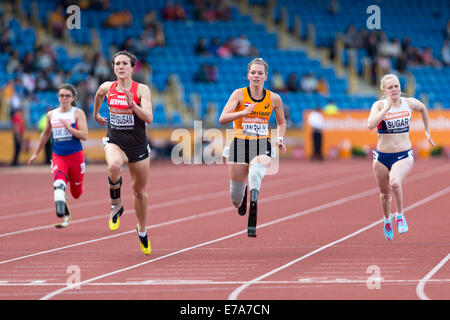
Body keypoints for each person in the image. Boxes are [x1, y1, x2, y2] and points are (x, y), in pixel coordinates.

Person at [93, 51, 153, 255]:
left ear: (132, 67)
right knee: (114, 166)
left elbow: (149, 118)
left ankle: (142, 230)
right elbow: (99, 95)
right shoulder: (107, 87)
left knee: (139, 192)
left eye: (124, 63)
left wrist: (132, 105)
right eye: (117, 63)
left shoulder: (141, 89)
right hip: (115, 141)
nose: (120, 67)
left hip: (137, 146)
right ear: (113, 67)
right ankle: (116, 204)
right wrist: (96, 114)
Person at [219, 58, 287, 237]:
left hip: (262, 142)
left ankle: (254, 198)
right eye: (253, 72)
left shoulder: (274, 98)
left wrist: (279, 138)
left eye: (260, 73)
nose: (256, 76)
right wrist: (242, 112)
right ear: (248, 75)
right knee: (235, 199)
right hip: (240, 143)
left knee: (256, 171)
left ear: (266, 76)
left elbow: (281, 123)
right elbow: (222, 118)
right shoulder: (239, 94)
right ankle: (244, 197)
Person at [367, 74, 435, 241]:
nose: (394, 89)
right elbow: (370, 125)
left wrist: (427, 131)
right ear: (384, 90)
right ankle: (387, 220)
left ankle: (400, 215)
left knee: (395, 183)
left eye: (396, 86)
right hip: (382, 157)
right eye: (390, 87)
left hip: (403, 155)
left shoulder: (409, 103)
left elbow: (423, 108)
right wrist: (386, 109)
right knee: (384, 195)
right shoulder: (379, 105)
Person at [28, 84, 88, 228]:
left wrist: (69, 128)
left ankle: (66, 196)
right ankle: (61, 205)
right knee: (58, 183)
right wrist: (36, 153)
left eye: (67, 96)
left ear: (73, 98)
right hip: (59, 156)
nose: (64, 98)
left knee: (76, 193)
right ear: (58, 97)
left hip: (76, 157)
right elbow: (45, 134)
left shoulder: (77, 113)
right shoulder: (51, 114)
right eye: (61, 95)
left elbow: (84, 135)